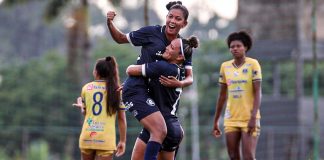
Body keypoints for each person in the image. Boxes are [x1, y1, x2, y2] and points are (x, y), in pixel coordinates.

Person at [106, 1, 192, 160]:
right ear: (166, 17)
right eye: (170, 16)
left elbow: (189, 78)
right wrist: (110, 23)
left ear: (184, 23)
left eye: (178, 19)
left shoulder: (182, 47)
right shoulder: (152, 33)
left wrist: (180, 83)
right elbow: (120, 39)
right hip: (139, 93)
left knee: (159, 131)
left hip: (156, 105)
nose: (172, 21)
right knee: (159, 130)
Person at [127, 36, 199, 160]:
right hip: (172, 127)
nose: (166, 47)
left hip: (162, 126)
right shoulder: (178, 70)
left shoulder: (163, 67)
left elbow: (130, 70)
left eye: (171, 47)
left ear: (180, 57)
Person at [212, 31, 262, 160]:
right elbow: (222, 96)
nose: (235, 49)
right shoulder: (225, 66)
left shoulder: (253, 64)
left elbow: (257, 92)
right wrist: (216, 120)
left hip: (249, 118)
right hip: (231, 118)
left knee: (249, 156)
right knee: (233, 156)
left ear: (245, 47)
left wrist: (253, 117)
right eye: (232, 46)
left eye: (238, 46)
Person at [73, 56, 127, 160]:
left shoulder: (86, 88)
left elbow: (87, 114)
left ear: (96, 72)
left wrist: (82, 109)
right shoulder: (117, 91)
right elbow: (121, 119)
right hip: (105, 139)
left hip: (87, 137)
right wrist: (122, 141)